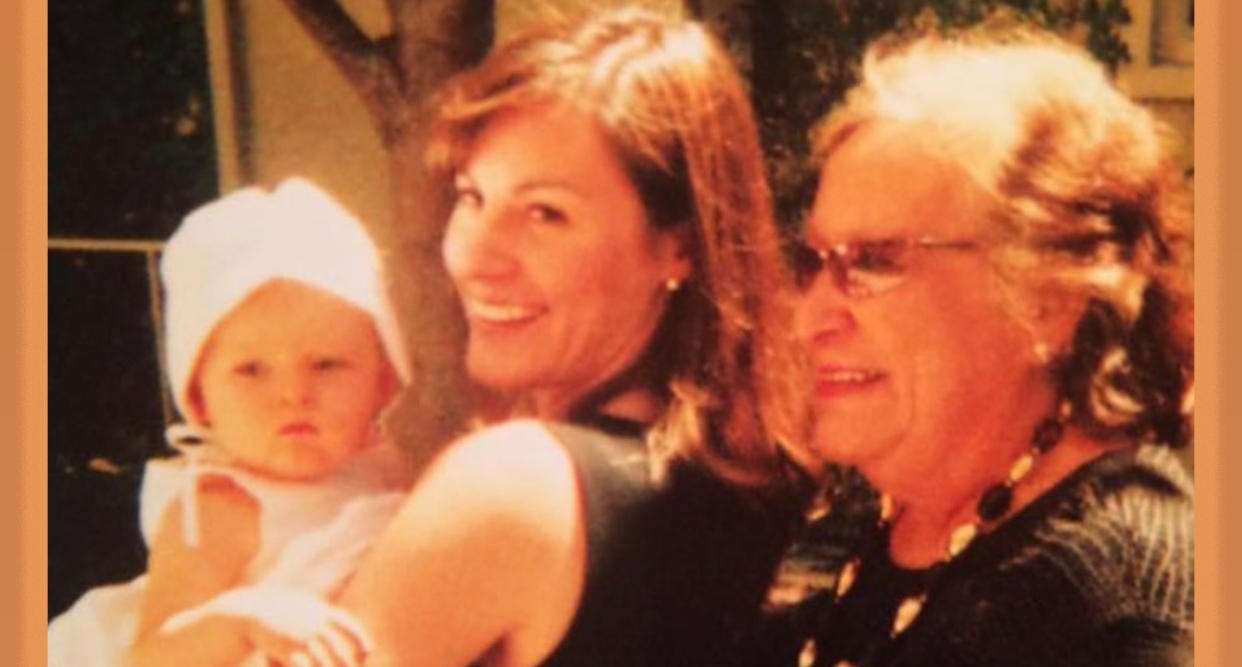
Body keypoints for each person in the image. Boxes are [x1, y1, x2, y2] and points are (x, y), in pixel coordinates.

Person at [277, 8, 813, 667]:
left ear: (678, 248)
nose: (477, 258)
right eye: (472, 198)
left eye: (545, 214)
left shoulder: (514, 484)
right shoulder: (740, 477)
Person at [756, 23, 1194, 667]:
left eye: (874, 262)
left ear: (1051, 299)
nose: (810, 318)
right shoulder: (864, 536)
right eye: (813, 261)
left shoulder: (1126, 604)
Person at [47, 178, 415, 667]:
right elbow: (150, 656)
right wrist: (244, 620)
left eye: (327, 364)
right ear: (200, 400)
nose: (293, 394)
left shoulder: (389, 468)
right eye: (251, 371)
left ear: (384, 380)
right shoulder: (221, 507)